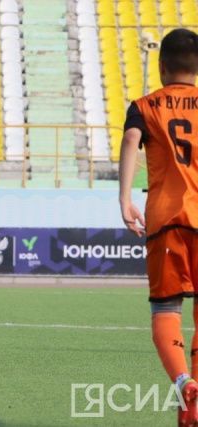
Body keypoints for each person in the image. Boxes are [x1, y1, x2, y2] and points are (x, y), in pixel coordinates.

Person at [119, 28, 198, 425]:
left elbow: (130, 141)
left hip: (166, 220)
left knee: (166, 308)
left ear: (162, 66)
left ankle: (184, 382)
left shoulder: (145, 105)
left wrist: (124, 198)